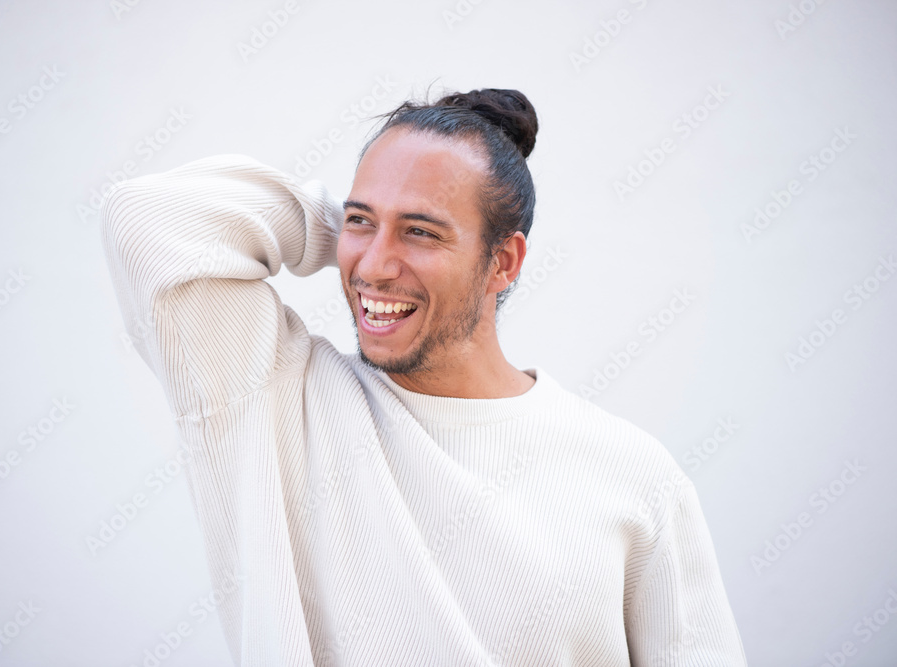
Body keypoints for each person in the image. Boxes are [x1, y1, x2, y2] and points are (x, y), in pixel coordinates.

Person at [100, 87, 747, 666]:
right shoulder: (270, 400)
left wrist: (369, 228)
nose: (375, 267)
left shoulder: (634, 476)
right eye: (362, 222)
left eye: (420, 231)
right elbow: (148, 219)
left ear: (503, 260)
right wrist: (344, 229)